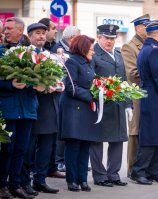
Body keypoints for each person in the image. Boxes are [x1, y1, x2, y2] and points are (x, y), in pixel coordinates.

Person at [0, 18, 45, 199]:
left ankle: (15, 185)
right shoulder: (1, 52)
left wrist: (42, 84)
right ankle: (2, 185)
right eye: (5, 28)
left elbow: (43, 77)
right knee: (6, 150)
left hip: (27, 108)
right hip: (8, 108)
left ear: (20, 31)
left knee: (21, 150)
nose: (6, 31)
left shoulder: (33, 53)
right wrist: (10, 84)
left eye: (10, 28)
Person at [131, 19, 158, 185]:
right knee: (150, 139)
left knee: (157, 137)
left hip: (150, 98)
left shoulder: (146, 48)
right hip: (156, 99)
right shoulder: (155, 50)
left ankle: (153, 171)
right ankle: (139, 171)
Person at [90, 24, 130, 187]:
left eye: (112, 38)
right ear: (99, 37)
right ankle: (99, 175)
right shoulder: (93, 54)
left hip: (118, 105)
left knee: (117, 140)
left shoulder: (119, 54)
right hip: (102, 105)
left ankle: (113, 173)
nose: (110, 41)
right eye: (106, 38)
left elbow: (125, 80)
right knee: (97, 140)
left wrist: (128, 104)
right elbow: (91, 80)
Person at [59, 35, 98, 192]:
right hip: (74, 110)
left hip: (86, 110)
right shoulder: (72, 62)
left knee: (85, 146)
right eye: (91, 48)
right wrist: (93, 95)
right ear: (83, 47)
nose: (93, 52)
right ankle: (72, 180)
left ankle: (83, 179)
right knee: (74, 146)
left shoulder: (88, 63)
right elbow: (71, 87)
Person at [121, 13, 150, 178]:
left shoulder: (150, 44)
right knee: (135, 133)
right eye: (146, 26)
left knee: (147, 132)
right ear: (138, 28)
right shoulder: (129, 47)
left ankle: (145, 168)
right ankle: (132, 169)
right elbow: (132, 73)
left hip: (149, 94)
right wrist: (155, 73)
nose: (148, 29)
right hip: (136, 95)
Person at [52, 26, 81, 173]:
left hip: (66, 91)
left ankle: (66, 160)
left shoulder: (70, 50)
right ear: (71, 39)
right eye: (78, 37)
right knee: (61, 127)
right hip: (59, 92)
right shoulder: (58, 49)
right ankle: (59, 161)